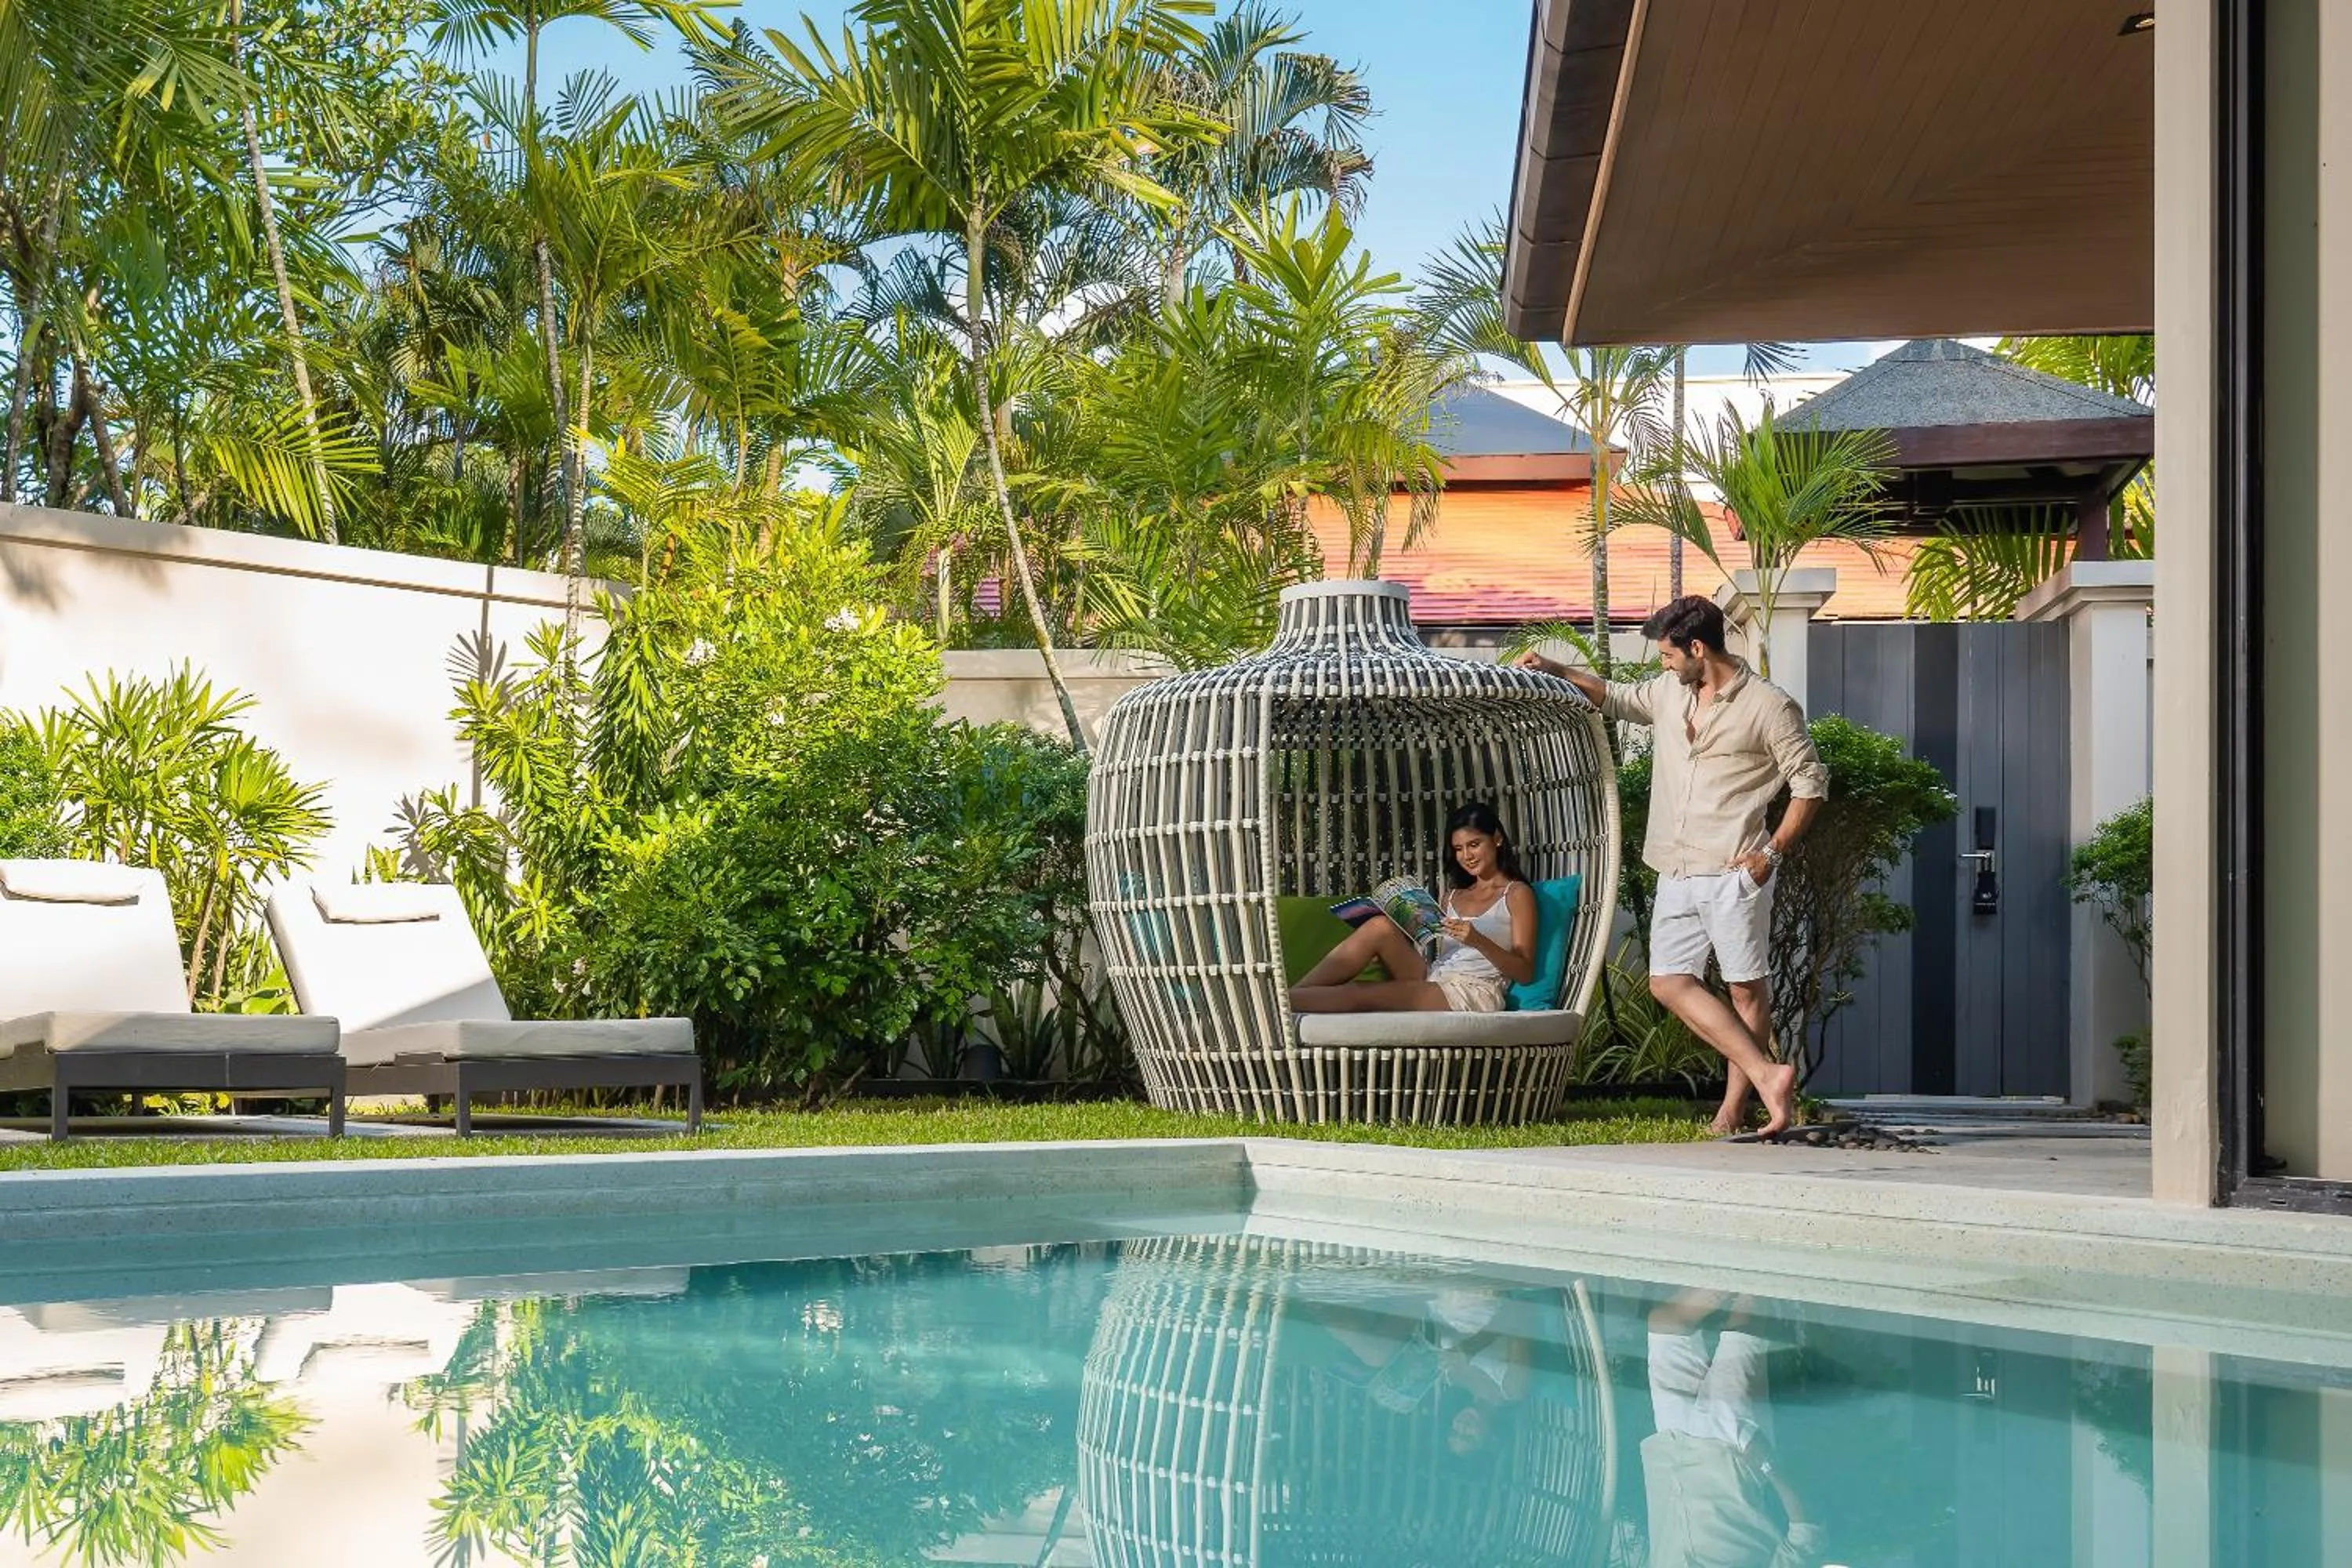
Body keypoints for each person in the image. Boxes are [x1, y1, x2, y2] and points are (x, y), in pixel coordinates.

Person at [1515, 596, 1825, 1138]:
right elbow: (1613, 697)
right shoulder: (1669, 692)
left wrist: (1769, 854)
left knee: (1746, 990)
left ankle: (1735, 1108)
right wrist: (1556, 669)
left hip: (1733, 870)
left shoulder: (1769, 707)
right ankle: (1768, 1075)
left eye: (1666, 654)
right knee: (1668, 982)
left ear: (1697, 649)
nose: (1662, 663)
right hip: (1675, 867)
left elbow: (1811, 784)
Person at [1287, 801, 1539, 1015]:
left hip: (1473, 991)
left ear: (1496, 839)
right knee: (1380, 927)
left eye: (1474, 844)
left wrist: (1477, 939)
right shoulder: (1452, 896)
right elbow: (1442, 955)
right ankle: (1290, 995)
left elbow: (1525, 971)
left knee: (1360, 992)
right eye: (1459, 849)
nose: (1467, 856)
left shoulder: (1516, 894)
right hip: (1436, 976)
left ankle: (1279, 1005)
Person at [1639, 1288, 1824, 1568]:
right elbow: (1808, 1535)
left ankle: (1725, 1267)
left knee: (1666, 1324)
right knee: (1742, 1331)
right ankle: (1758, 1266)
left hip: (1670, 1448)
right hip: (1729, 1456)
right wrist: (1768, 1465)